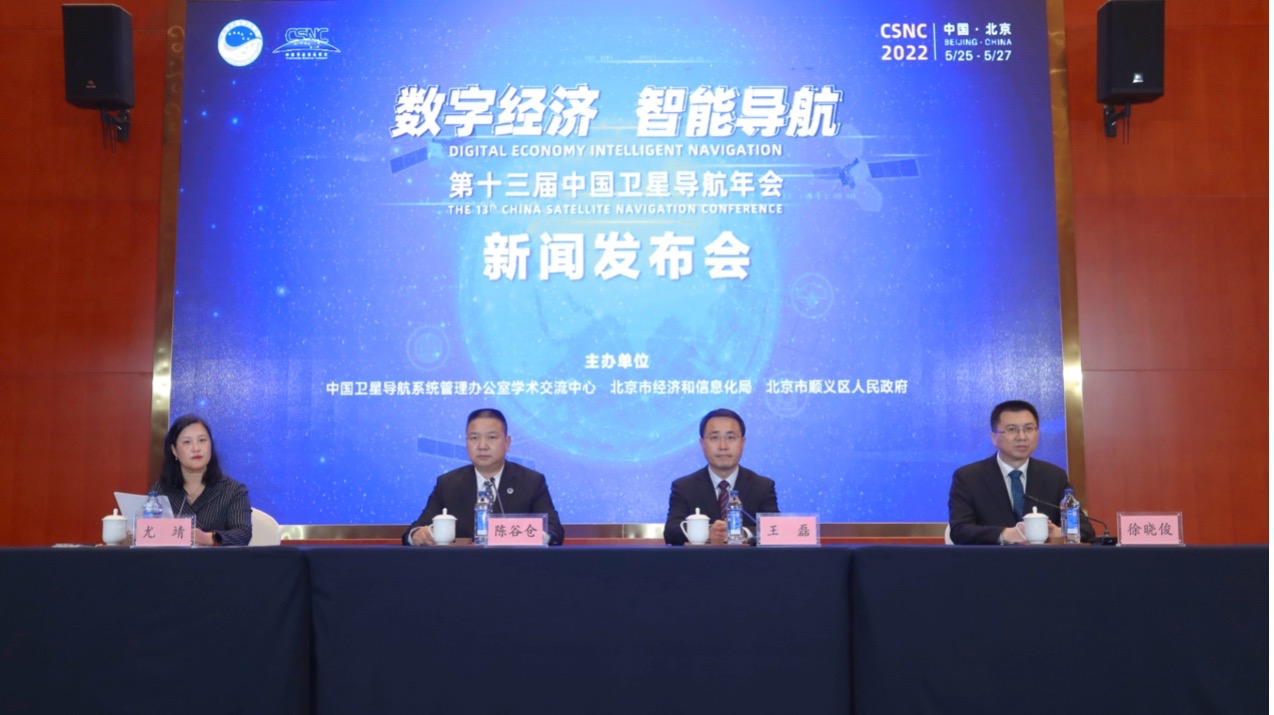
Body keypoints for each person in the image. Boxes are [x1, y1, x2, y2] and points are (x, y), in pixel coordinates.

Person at [404, 408, 565, 546]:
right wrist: (417, 535)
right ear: (466, 442)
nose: (482, 446)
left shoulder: (531, 482)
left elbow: (554, 530)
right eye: (474, 438)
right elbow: (415, 529)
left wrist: (534, 536)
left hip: (514, 567)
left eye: (492, 437)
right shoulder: (447, 484)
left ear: (507, 442)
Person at [948, 400, 1095, 545]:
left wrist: (1062, 532)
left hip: (1042, 560)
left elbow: (1086, 530)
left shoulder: (1055, 477)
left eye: (1029, 429)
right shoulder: (968, 478)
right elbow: (959, 530)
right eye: (1012, 429)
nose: (1022, 437)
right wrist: (1005, 534)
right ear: (994, 438)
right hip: (992, 559)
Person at [663, 408, 779, 545]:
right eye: (714, 438)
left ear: (743, 443)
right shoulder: (684, 487)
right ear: (702, 444)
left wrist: (741, 533)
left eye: (730, 437)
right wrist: (706, 532)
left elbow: (775, 529)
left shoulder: (762, 487)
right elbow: (671, 532)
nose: (723, 446)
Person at [155, 414, 253, 546]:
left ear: (211, 445)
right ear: (174, 451)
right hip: (173, 559)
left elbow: (243, 534)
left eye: (202, 440)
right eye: (187, 442)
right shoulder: (160, 490)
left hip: (216, 559)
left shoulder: (233, 491)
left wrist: (207, 538)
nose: (196, 448)